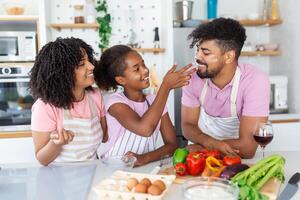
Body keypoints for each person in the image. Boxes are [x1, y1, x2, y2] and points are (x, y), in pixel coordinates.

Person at [181, 18, 270, 158]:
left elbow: (247, 148)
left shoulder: (255, 81)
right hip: (197, 162)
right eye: (198, 50)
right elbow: (187, 125)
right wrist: (211, 143)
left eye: (206, 52)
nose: (197, 57)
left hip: (235, 161)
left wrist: (200, 147)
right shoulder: (193, 77)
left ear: (229, 56)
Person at [94, 45, 195, 166]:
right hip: (113, 168)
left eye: (143, 64)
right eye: (136, 69)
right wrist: (165, 87)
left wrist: (143, 158)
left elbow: (172, 145)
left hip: (143, 168)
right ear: (121, 80)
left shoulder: (154, 101)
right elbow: (145, 129)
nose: (145, 70)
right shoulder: (115, 103)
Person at [30, 37, 107, 166]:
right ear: (62, 73)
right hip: (59, 179)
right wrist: (56, 144)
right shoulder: (45, 107)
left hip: (93, 173)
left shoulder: (95, 96)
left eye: (89, 60)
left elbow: (104, 136)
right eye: (82, 64)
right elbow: (42, 159)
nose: (92, 66)